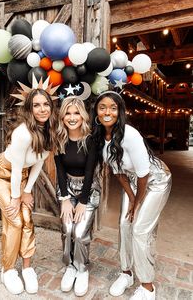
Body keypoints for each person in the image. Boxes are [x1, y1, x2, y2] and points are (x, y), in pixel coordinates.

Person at [92, 91, 172, 300]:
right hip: (133, 181)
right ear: (96, 112)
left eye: (113, 107)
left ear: (120, 112)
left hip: (155, 181)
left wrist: (137, 203)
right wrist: (131, 199)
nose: (107, 112)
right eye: (102, 107)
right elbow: (119, 173)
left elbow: (144, 175)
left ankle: (147, 287)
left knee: (139, 228)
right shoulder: (102, 139)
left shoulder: (130, 135)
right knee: (124, 223)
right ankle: (126, 273)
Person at [0, 81, 56, 295]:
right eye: (36, 105)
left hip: (22, 177)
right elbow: (16, 168)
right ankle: (7, 269)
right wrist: (17, 197)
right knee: (15, 219)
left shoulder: (49, 132)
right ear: (29, 108)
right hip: (3, 174)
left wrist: (27, 191)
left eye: (45, 104)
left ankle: (27, 269)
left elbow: (37, 164)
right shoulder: (23, 133)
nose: (42, 109)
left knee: (28, 218)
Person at [54, 96, 101, 297]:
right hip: (67, 189)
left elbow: (90, 173)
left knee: (80, 233)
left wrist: (82, 201)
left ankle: (82, 269)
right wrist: (64, 198)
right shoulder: (58, 138)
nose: (72, 118)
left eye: (76, 113)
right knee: (67, 228)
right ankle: (70, 266)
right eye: (68, 113)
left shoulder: (91, 140)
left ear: (82, 116)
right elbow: (60, 170)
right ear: (62, 116)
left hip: (88, 190)